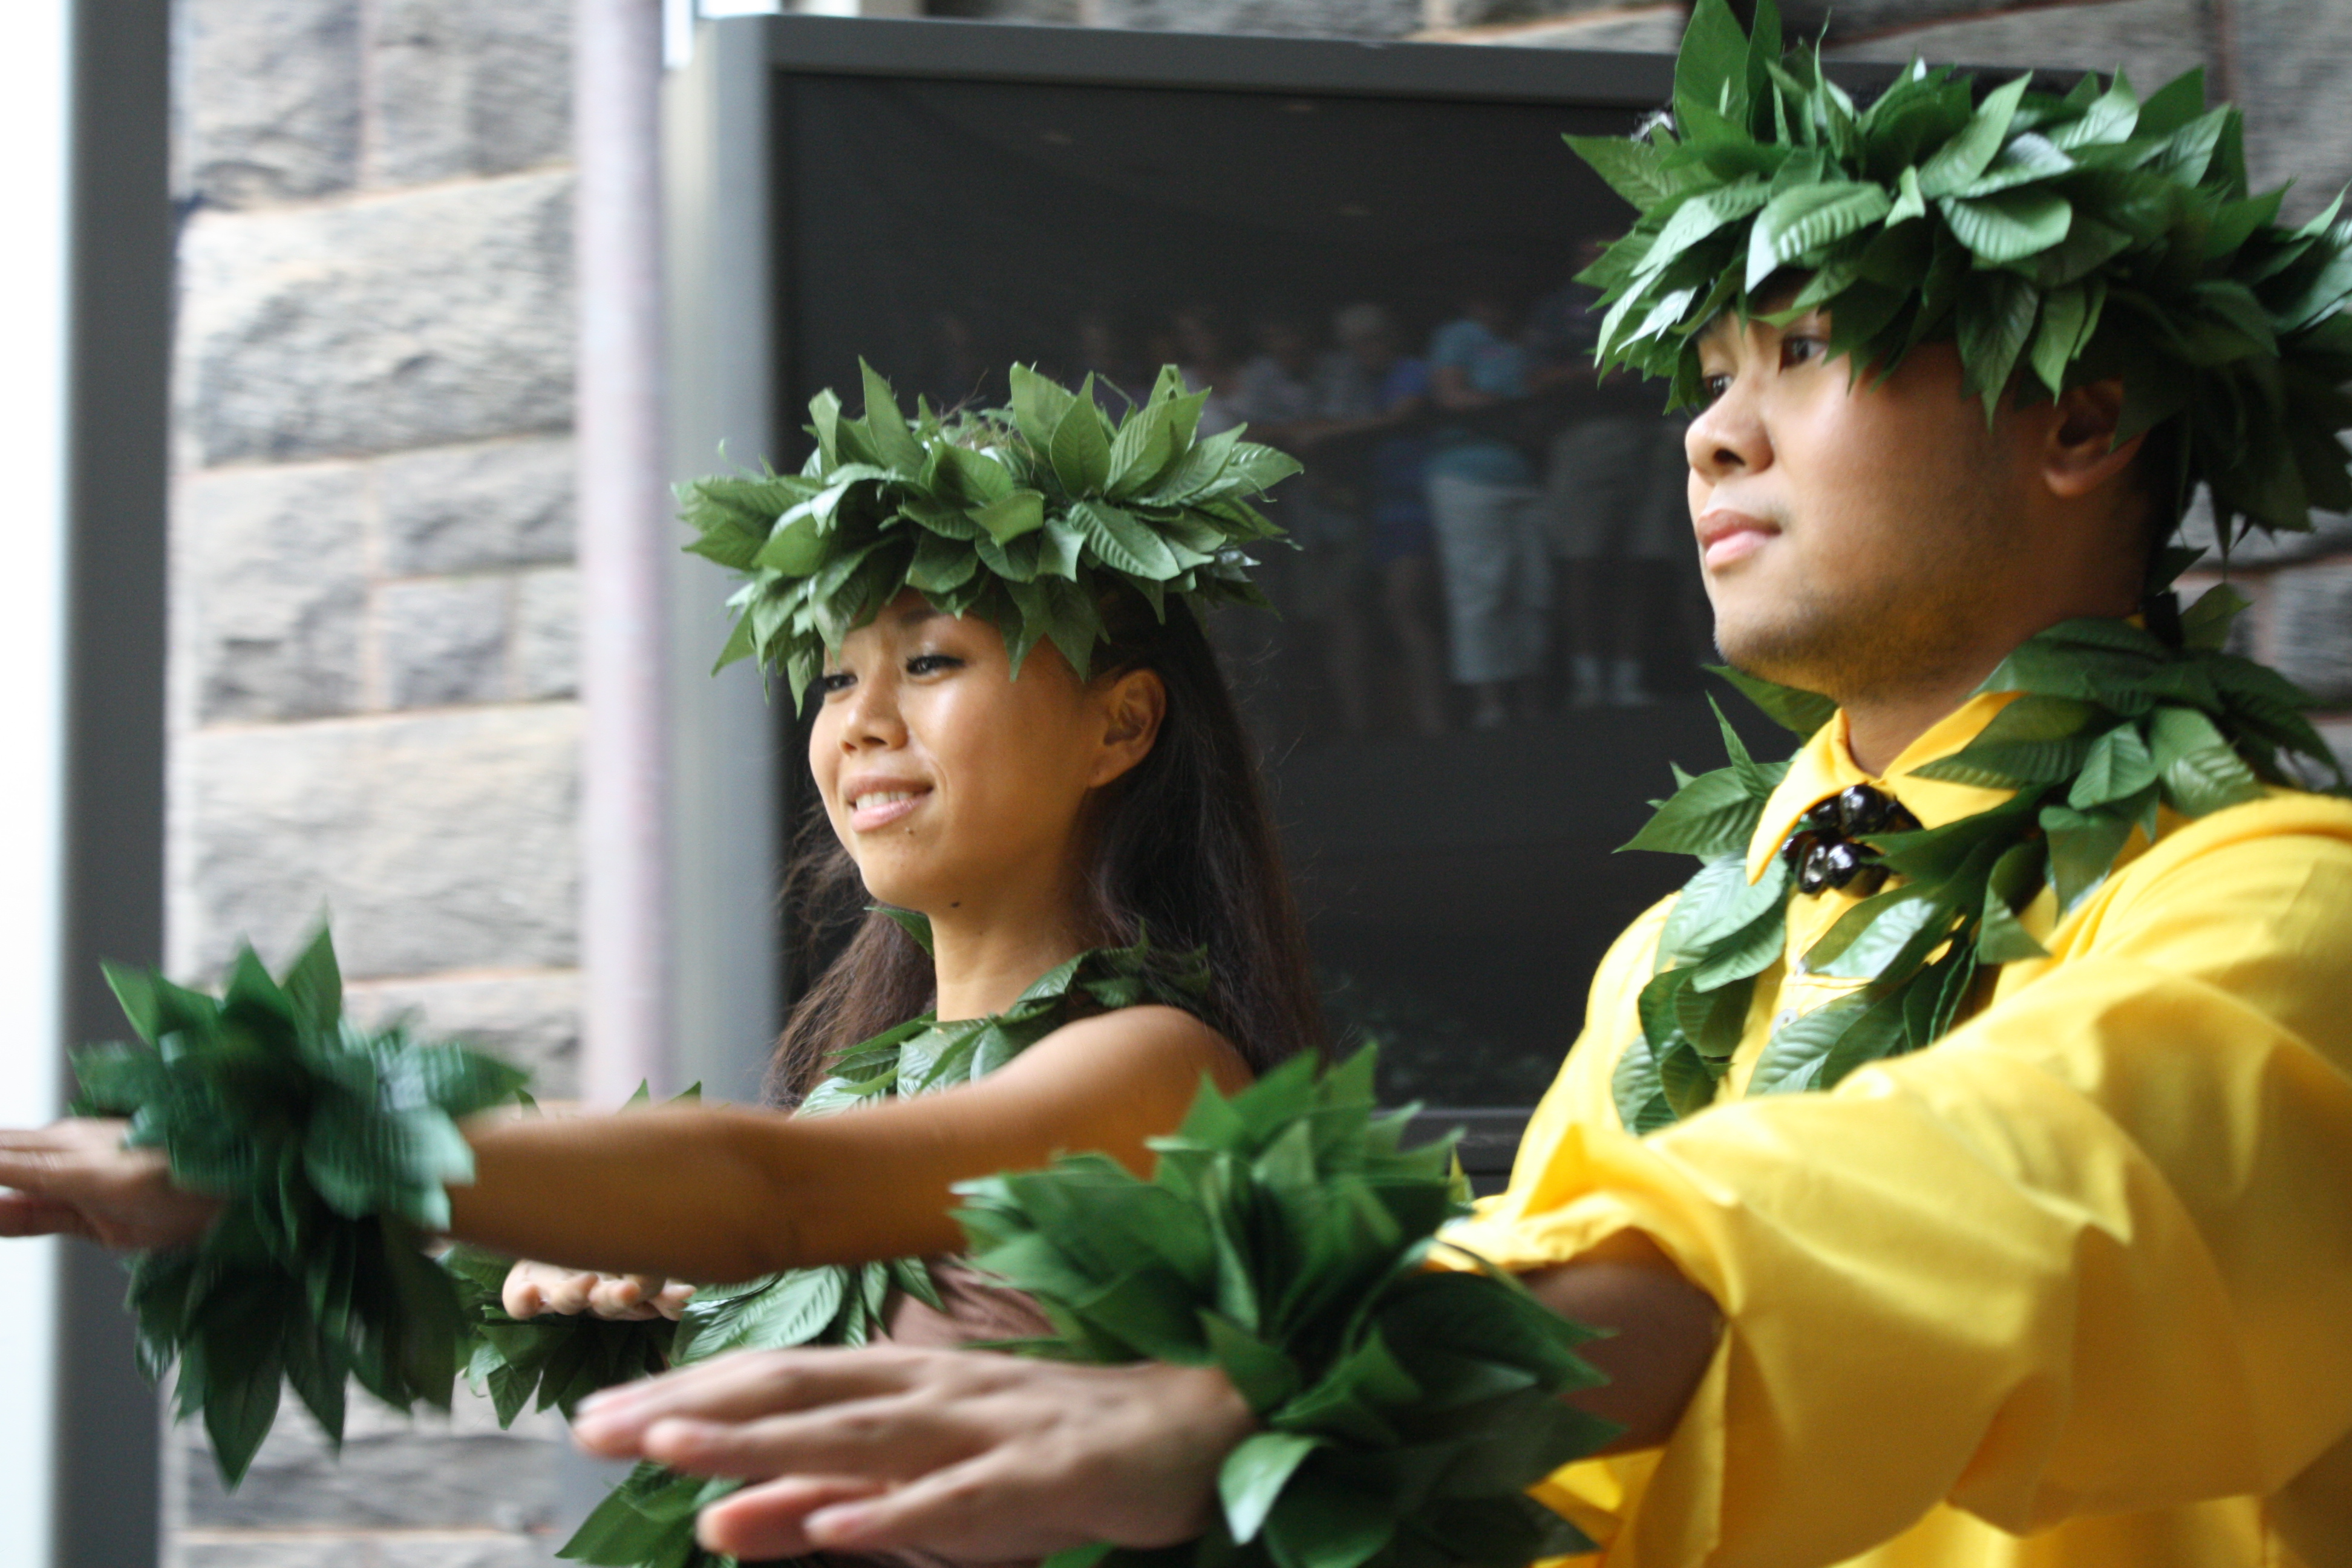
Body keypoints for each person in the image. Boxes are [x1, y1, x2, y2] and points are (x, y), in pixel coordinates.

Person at [553, 11, 2352, 1568]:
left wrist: (1328, 1393)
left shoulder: (2280, 901)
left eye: (1804, 351)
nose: (1715, 432)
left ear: (2081, 423)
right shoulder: (1677, 955)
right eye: (1709, 377)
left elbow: (2018, 1182)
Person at [0, 367, 1323, 1475]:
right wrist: (667, 1301)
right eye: (834, 678)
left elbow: (774, 1195)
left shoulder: (1155, 1065)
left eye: (930, 661)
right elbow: (784, 1223)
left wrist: (309, 1150)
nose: (859, 723)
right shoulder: (857, 1087)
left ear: (1122, 724)